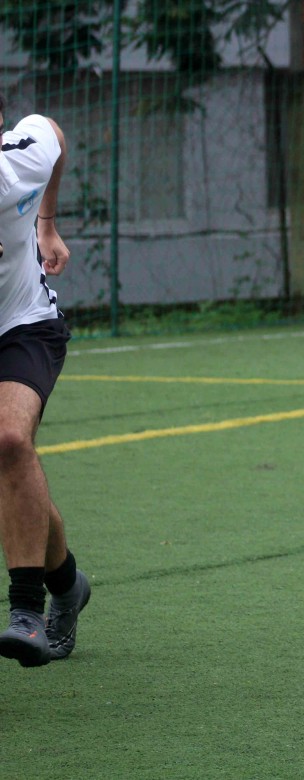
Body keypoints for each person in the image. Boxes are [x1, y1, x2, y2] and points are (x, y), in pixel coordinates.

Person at [0, 94, 91, 667]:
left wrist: (46, 222)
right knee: (15, 466)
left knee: (10, 441)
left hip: (24, 325)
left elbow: (52, 129)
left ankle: (25, 611)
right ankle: (67, 584)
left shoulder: (20, 160)